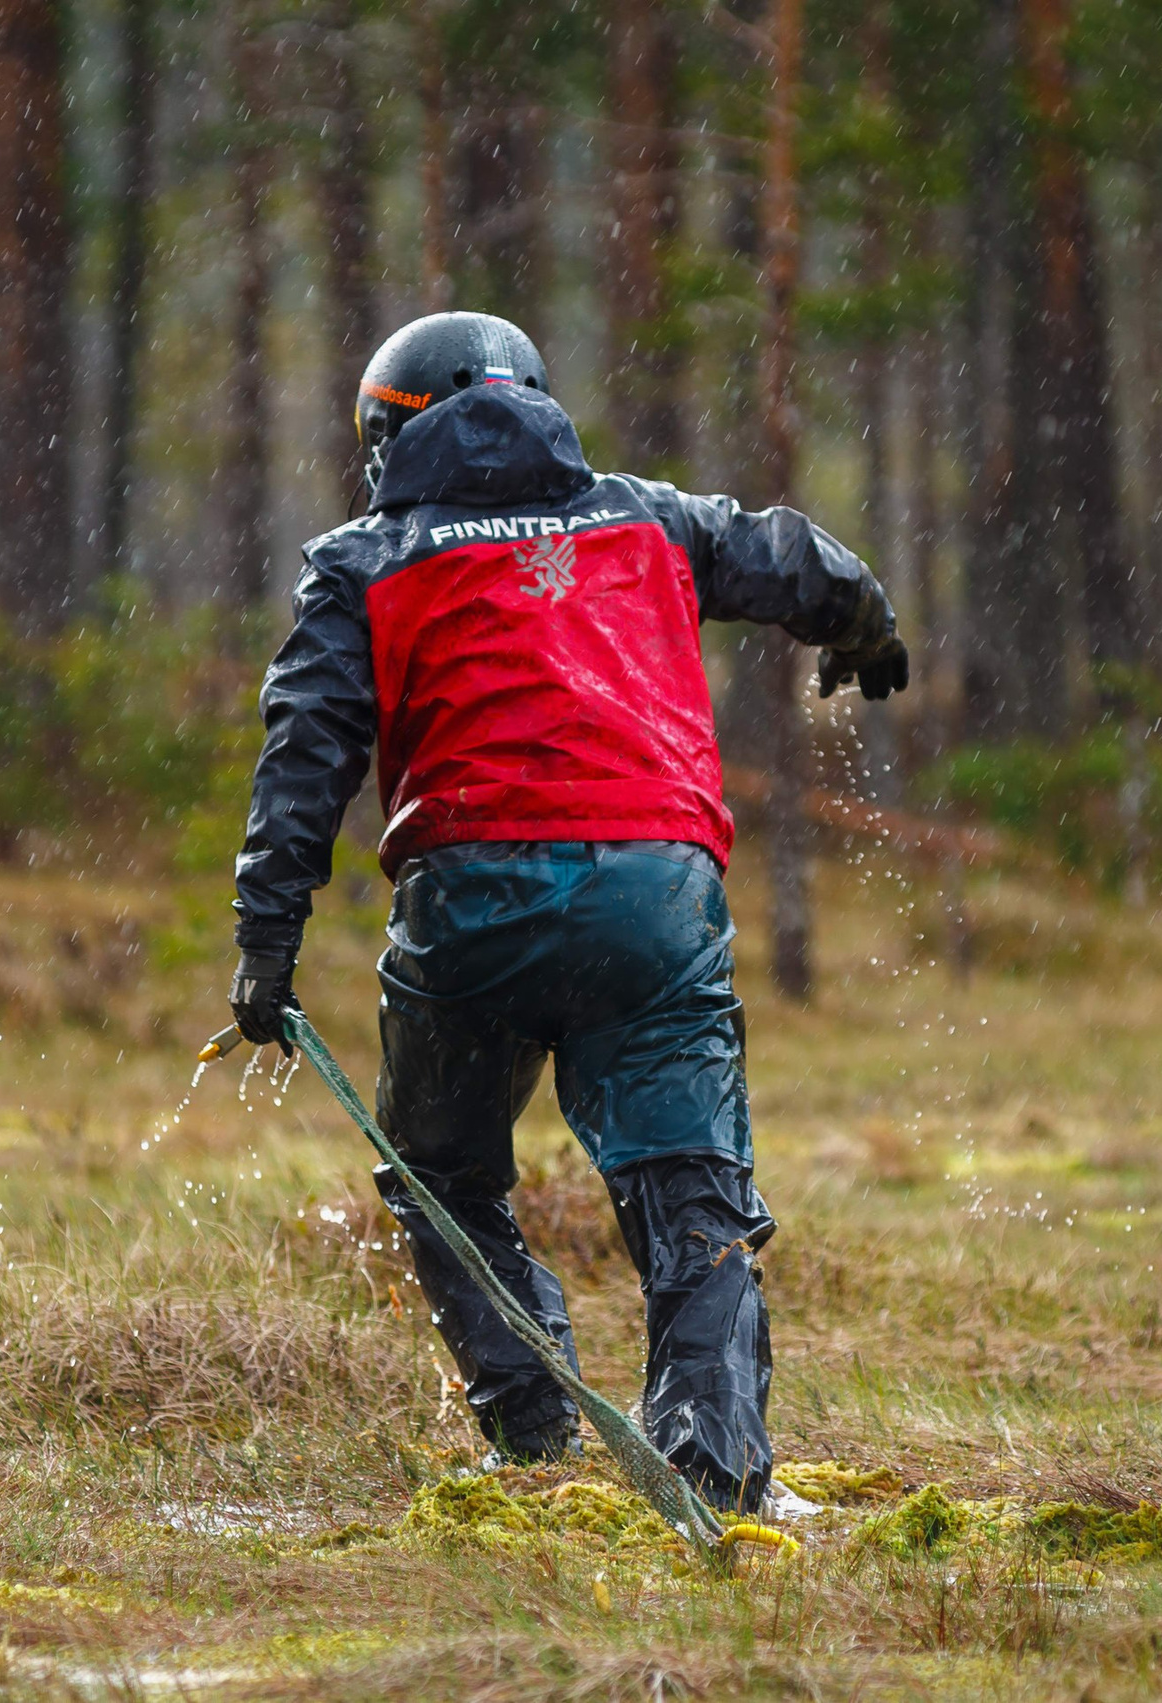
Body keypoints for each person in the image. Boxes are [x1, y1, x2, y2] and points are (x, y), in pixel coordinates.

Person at [226, 311, 907, 1515]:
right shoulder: (645, 514)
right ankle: (714, 1472)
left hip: (470, 901)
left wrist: (266, 940)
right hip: (656, 890)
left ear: (389, 431)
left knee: (441, 1170)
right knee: (690, 1190)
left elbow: (304, 758)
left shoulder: (361, 559)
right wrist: (866, 624)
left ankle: (536, 1440)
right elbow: (792, 555)